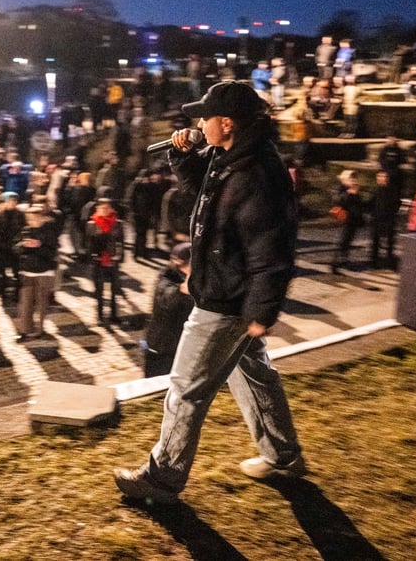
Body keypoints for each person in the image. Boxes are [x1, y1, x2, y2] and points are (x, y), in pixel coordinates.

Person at [114, 80, 305, 505]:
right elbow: (202, 200)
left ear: (226, 123)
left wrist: (261, 310)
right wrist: (182, 156)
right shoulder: (232, 158)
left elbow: (271, 250)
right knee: (255, 378)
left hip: (228, 300)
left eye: (204, 117)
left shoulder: (258, 174)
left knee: (184, 388)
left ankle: (161, 479)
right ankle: (284, 457)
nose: (198, 123)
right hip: (228, 289)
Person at [141, 242, 194, 378]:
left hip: (180, 348)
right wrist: (186, 284)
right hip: (160, 349)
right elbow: (166, 299)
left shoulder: (193, 280)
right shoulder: (166, 276)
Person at [15, 206, 60, 340]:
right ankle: (25, 329)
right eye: (29, 219)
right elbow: (14, 248)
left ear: (41, 218)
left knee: (41, 302)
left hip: (44, 272)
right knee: (25, 302)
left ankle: (40, 329)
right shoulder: (25, 231)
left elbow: (52, 253)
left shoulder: (49, 232)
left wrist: (39, 246)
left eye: (35, 218)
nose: (31, 221)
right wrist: (22, 246)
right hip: (27, 272)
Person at [86, 197, 125, 324]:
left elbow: (120, 242)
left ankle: (114, 314)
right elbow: (89, 243)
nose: (105, 210)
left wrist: (118, 256)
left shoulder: (117, 223)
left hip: (113, 260)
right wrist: (94, 256)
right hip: (98, 261)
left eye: (107, 207)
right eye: (102, 208)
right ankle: (100, 315)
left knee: (114, 290)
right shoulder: (92, 224)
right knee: (99, 290)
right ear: (97, 209)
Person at [331, 170, 366, 274]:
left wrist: (355, 193)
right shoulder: (341, 188)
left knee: (348, 241)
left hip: (353, 219)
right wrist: (349, 193)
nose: (353, 180)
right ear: (345, 178)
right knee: (342, 241)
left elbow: (359, 204)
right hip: (345, 219)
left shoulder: (354, 189)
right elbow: (338, 201)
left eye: (354, 178)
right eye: (351, 178)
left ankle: (344, 260)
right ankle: (335, 264)